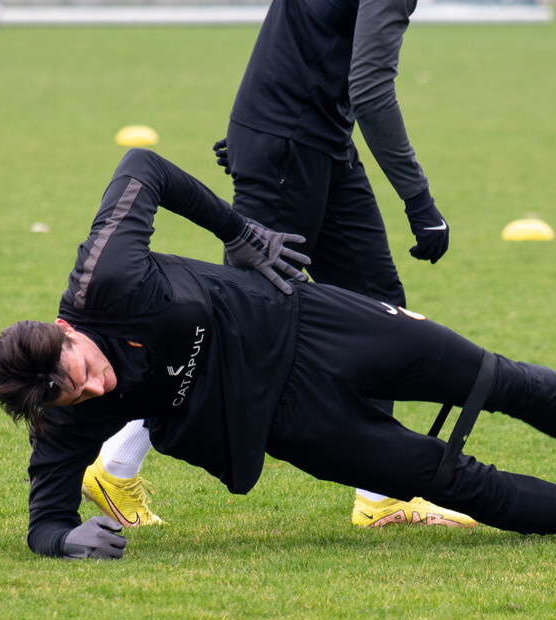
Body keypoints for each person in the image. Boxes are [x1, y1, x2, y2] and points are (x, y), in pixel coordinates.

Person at [0, 150, 556, 561]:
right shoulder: (63, 415)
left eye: (84, 370)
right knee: (456, 481)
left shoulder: (103, 275)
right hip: (295, 425)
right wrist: (65, 540)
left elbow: (143, 165)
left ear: (67, 328)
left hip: (317, 325)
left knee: (496, 378)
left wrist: (237, 231)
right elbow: (43, 517)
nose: (93, 388)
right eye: (77, 398)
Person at [83, 0, 465, 529]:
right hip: (291, 143)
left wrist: (253, 128)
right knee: (236, 327)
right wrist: (418, 200)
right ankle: (116, 465)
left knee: (379, 303)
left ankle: (382, 493)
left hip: (314, 141)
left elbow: (296, 34)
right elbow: (371, 89)